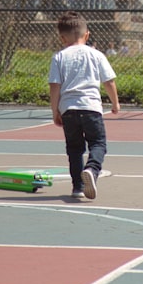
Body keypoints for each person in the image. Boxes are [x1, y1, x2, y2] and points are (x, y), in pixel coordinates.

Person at [49, 10, 120, 200]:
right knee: (98, 143)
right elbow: (109, 81)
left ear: (62, 38)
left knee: (74, 148)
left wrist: (55, 110)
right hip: (91, 108)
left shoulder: (59, 57)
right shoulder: (96, 55)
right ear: (86, 35)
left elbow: (54, 86)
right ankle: (92, 169)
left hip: (69, 110)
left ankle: (78, 187)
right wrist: (115, 103)